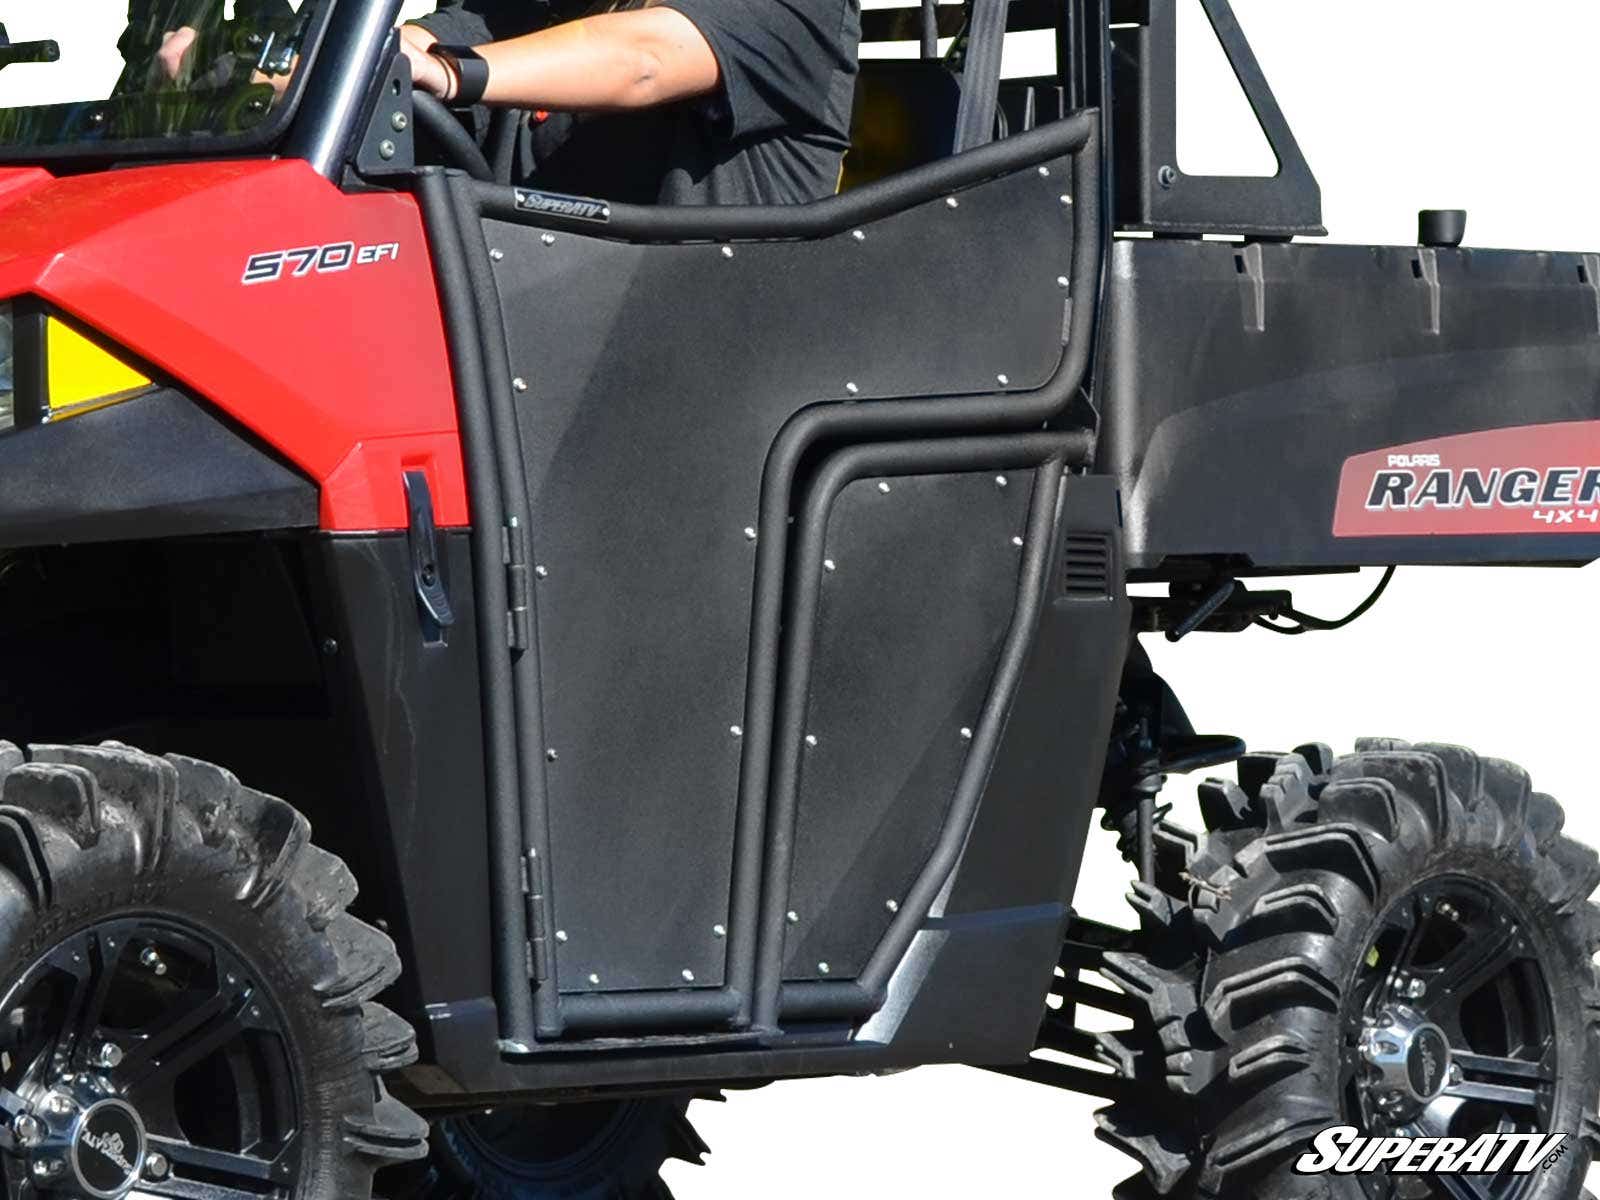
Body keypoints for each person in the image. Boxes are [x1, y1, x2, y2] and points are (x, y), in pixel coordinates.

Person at [402, 0, 860, 206]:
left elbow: (645, 58)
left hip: (683, 352)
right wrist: (387, 53)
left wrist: (449, 72)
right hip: (524, 316)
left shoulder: (803, 6)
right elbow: (472, 26)